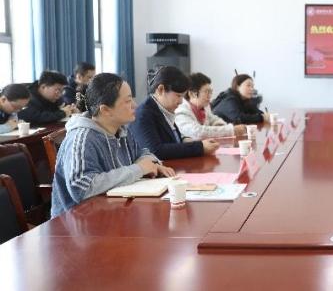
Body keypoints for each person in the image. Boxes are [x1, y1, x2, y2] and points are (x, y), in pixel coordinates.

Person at [51, 73, 175, 217]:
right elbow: (81, 188)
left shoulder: (121, 129)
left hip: (112, 212)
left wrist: (152, 164)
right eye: (128, 101)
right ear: (105, 110)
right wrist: (139, 169)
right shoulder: (81, 139)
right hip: (78, 222)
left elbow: (141, 153)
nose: (135, 105)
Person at [130, 66, 219, 160]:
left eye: (182, 97)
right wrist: (200, 147)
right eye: (178, 96)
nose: (181, 102)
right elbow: (155, 151)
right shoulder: (143, 115)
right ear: (161, 89)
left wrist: (188, 141)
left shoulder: (163, 110)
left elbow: (173, 140)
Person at [175, 72, 246, 140]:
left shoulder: (205, 107)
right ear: (192, 94)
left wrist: (221, 127)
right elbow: (197, 132)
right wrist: (230, 130)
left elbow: (214, 119)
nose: (210, 96)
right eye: (207, 92)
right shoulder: (181, 110)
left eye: (210, 92)